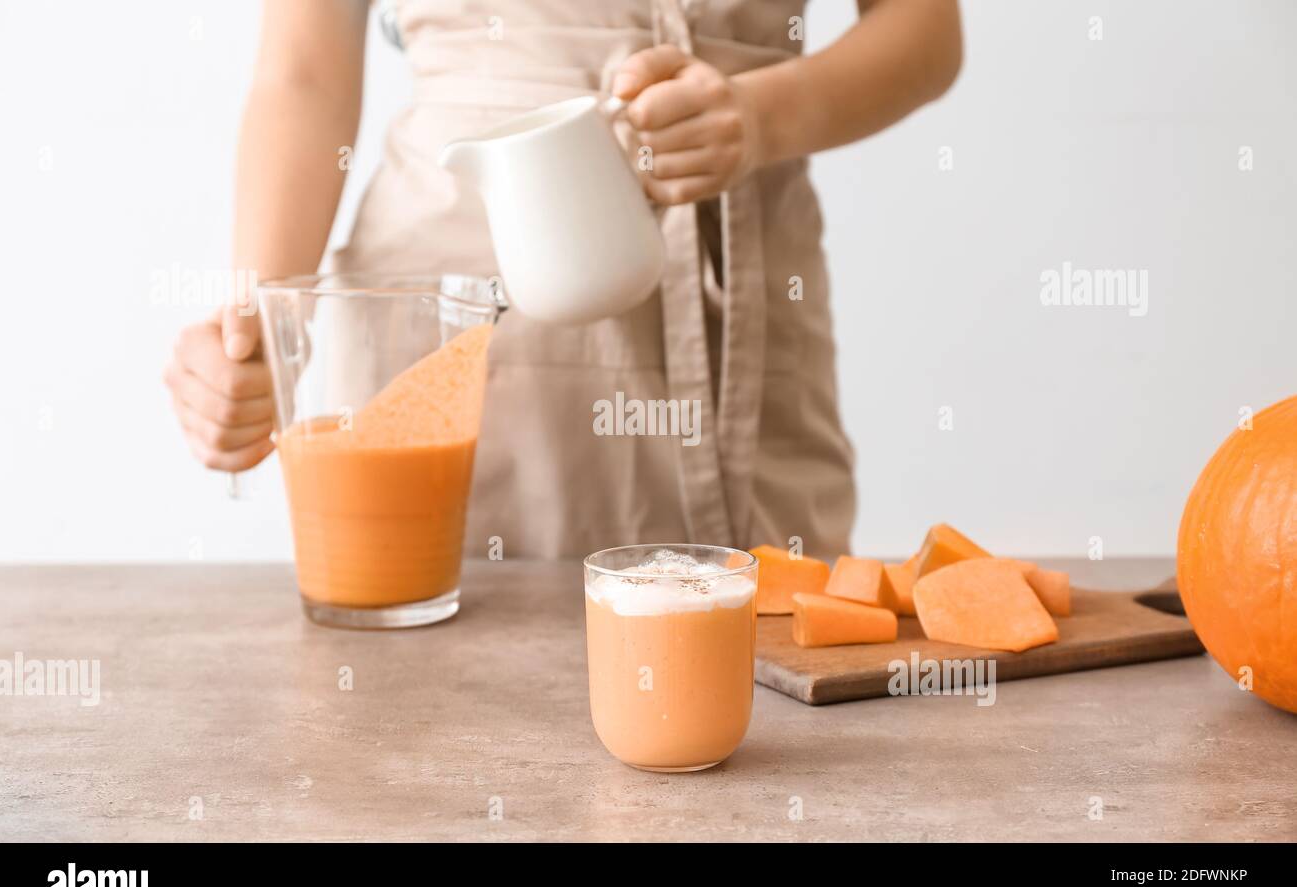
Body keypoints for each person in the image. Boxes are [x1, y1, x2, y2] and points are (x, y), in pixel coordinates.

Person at [163, 0, 962, 558]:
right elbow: (304, 71)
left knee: (774, 715)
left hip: (739, 316)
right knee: (421, 726)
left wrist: (760, 119)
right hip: (443, 310)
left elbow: (926, 29)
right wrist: (256, 326)